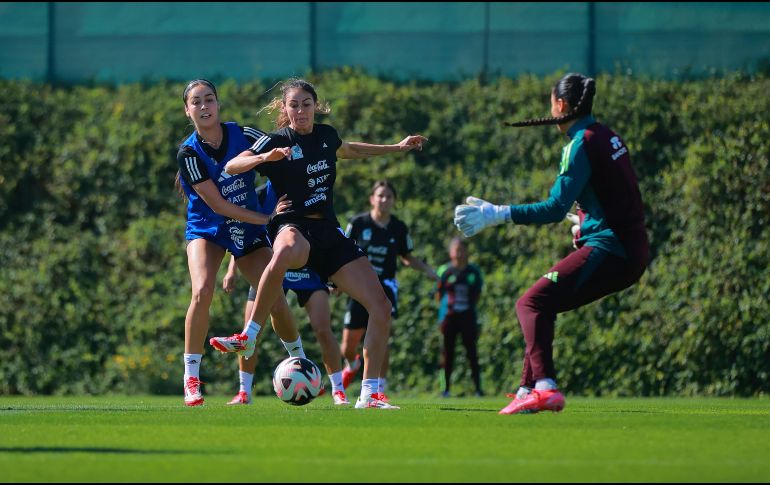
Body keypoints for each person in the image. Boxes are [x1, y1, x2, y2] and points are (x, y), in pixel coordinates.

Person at [209, 78, 427, 409]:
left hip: (328, 230)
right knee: (283, 251)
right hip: (292, 225)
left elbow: (351, 149)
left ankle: (368, 394)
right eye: (293, 105)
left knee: (381, 307)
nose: (300, 111)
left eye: (306, 104)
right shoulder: (277, 140)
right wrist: (264, 157)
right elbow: (231, 165)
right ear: (285, 109)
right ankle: (248, 337)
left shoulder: (326, 136)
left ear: (315, 106)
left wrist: (397, 148)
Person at [454, 72, 649, 415]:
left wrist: (497, 214)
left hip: (612, 248)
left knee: (530, 304)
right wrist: (586, 223)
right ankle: (526, 390)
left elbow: (554, 209)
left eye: (551, 103)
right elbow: (618, 197)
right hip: (629, 248)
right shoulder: (608, 136)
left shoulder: (580, 144)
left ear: (560, 104)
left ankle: (545, 388)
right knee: (543, 305)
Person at [175, 79, 305, 407]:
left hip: (245, 226)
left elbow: (280, 153)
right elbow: (218, 205)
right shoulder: (189, 153)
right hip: (207, 228)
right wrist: (266, 218)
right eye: (196, 102)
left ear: (218, 104)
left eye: (209, 99)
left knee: (276, 300)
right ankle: (191, 378)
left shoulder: (243, 134)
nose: (204, 106)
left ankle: (301, 363)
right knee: (202, 291)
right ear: (187, 111)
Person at [222, 182, 350, 406]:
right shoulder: (258, 195)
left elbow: (326, 229)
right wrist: (231, 270)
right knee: (251, 328)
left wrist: (334, 271)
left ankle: (338, 390)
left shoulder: (308, 185)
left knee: (323, 329)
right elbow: (244, 235)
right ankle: (244, 391)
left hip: (308, 267)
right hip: (271, 268)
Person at [340, 180, 438, 399]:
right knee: (347, 347)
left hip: (385, 287)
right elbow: (342, 252)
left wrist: (428, 270)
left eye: (388, 196)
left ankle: (378, 388)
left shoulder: (399, 228)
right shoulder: (358, 223)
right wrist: (336, 281)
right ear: (372, 199)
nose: (384, 200)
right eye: (380, 195)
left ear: (394, 201)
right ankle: (353, 364)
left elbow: (407, 257)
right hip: (359, 286)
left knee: (381, 338)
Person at [436, 237, 483, 398]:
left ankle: (478, 389)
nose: (459, 253)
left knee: (472, 353)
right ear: (451, 252)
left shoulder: (474, 271)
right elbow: (439, 295)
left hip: (468, 317)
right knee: (447, 353)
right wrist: (442, 316)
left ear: (467, 251)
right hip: (449, 318)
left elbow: (478, 294)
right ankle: (445, 389)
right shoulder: (444, 271)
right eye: (456, 250)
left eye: (462, 249)